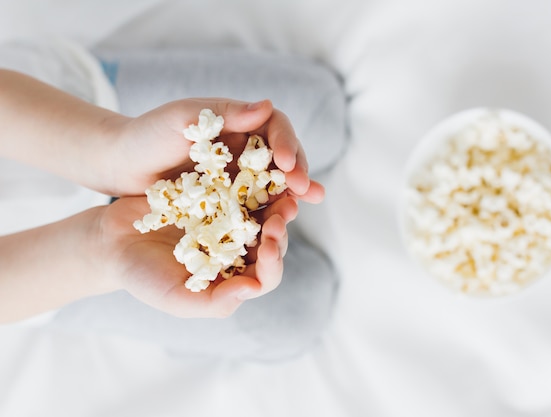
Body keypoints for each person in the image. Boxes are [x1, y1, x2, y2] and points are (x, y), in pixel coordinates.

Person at [0, 67, 324, 323]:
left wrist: (111, 152)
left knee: (319, 109)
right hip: (43, 279)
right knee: (297, 310)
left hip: (66, 113)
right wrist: (100, 250)